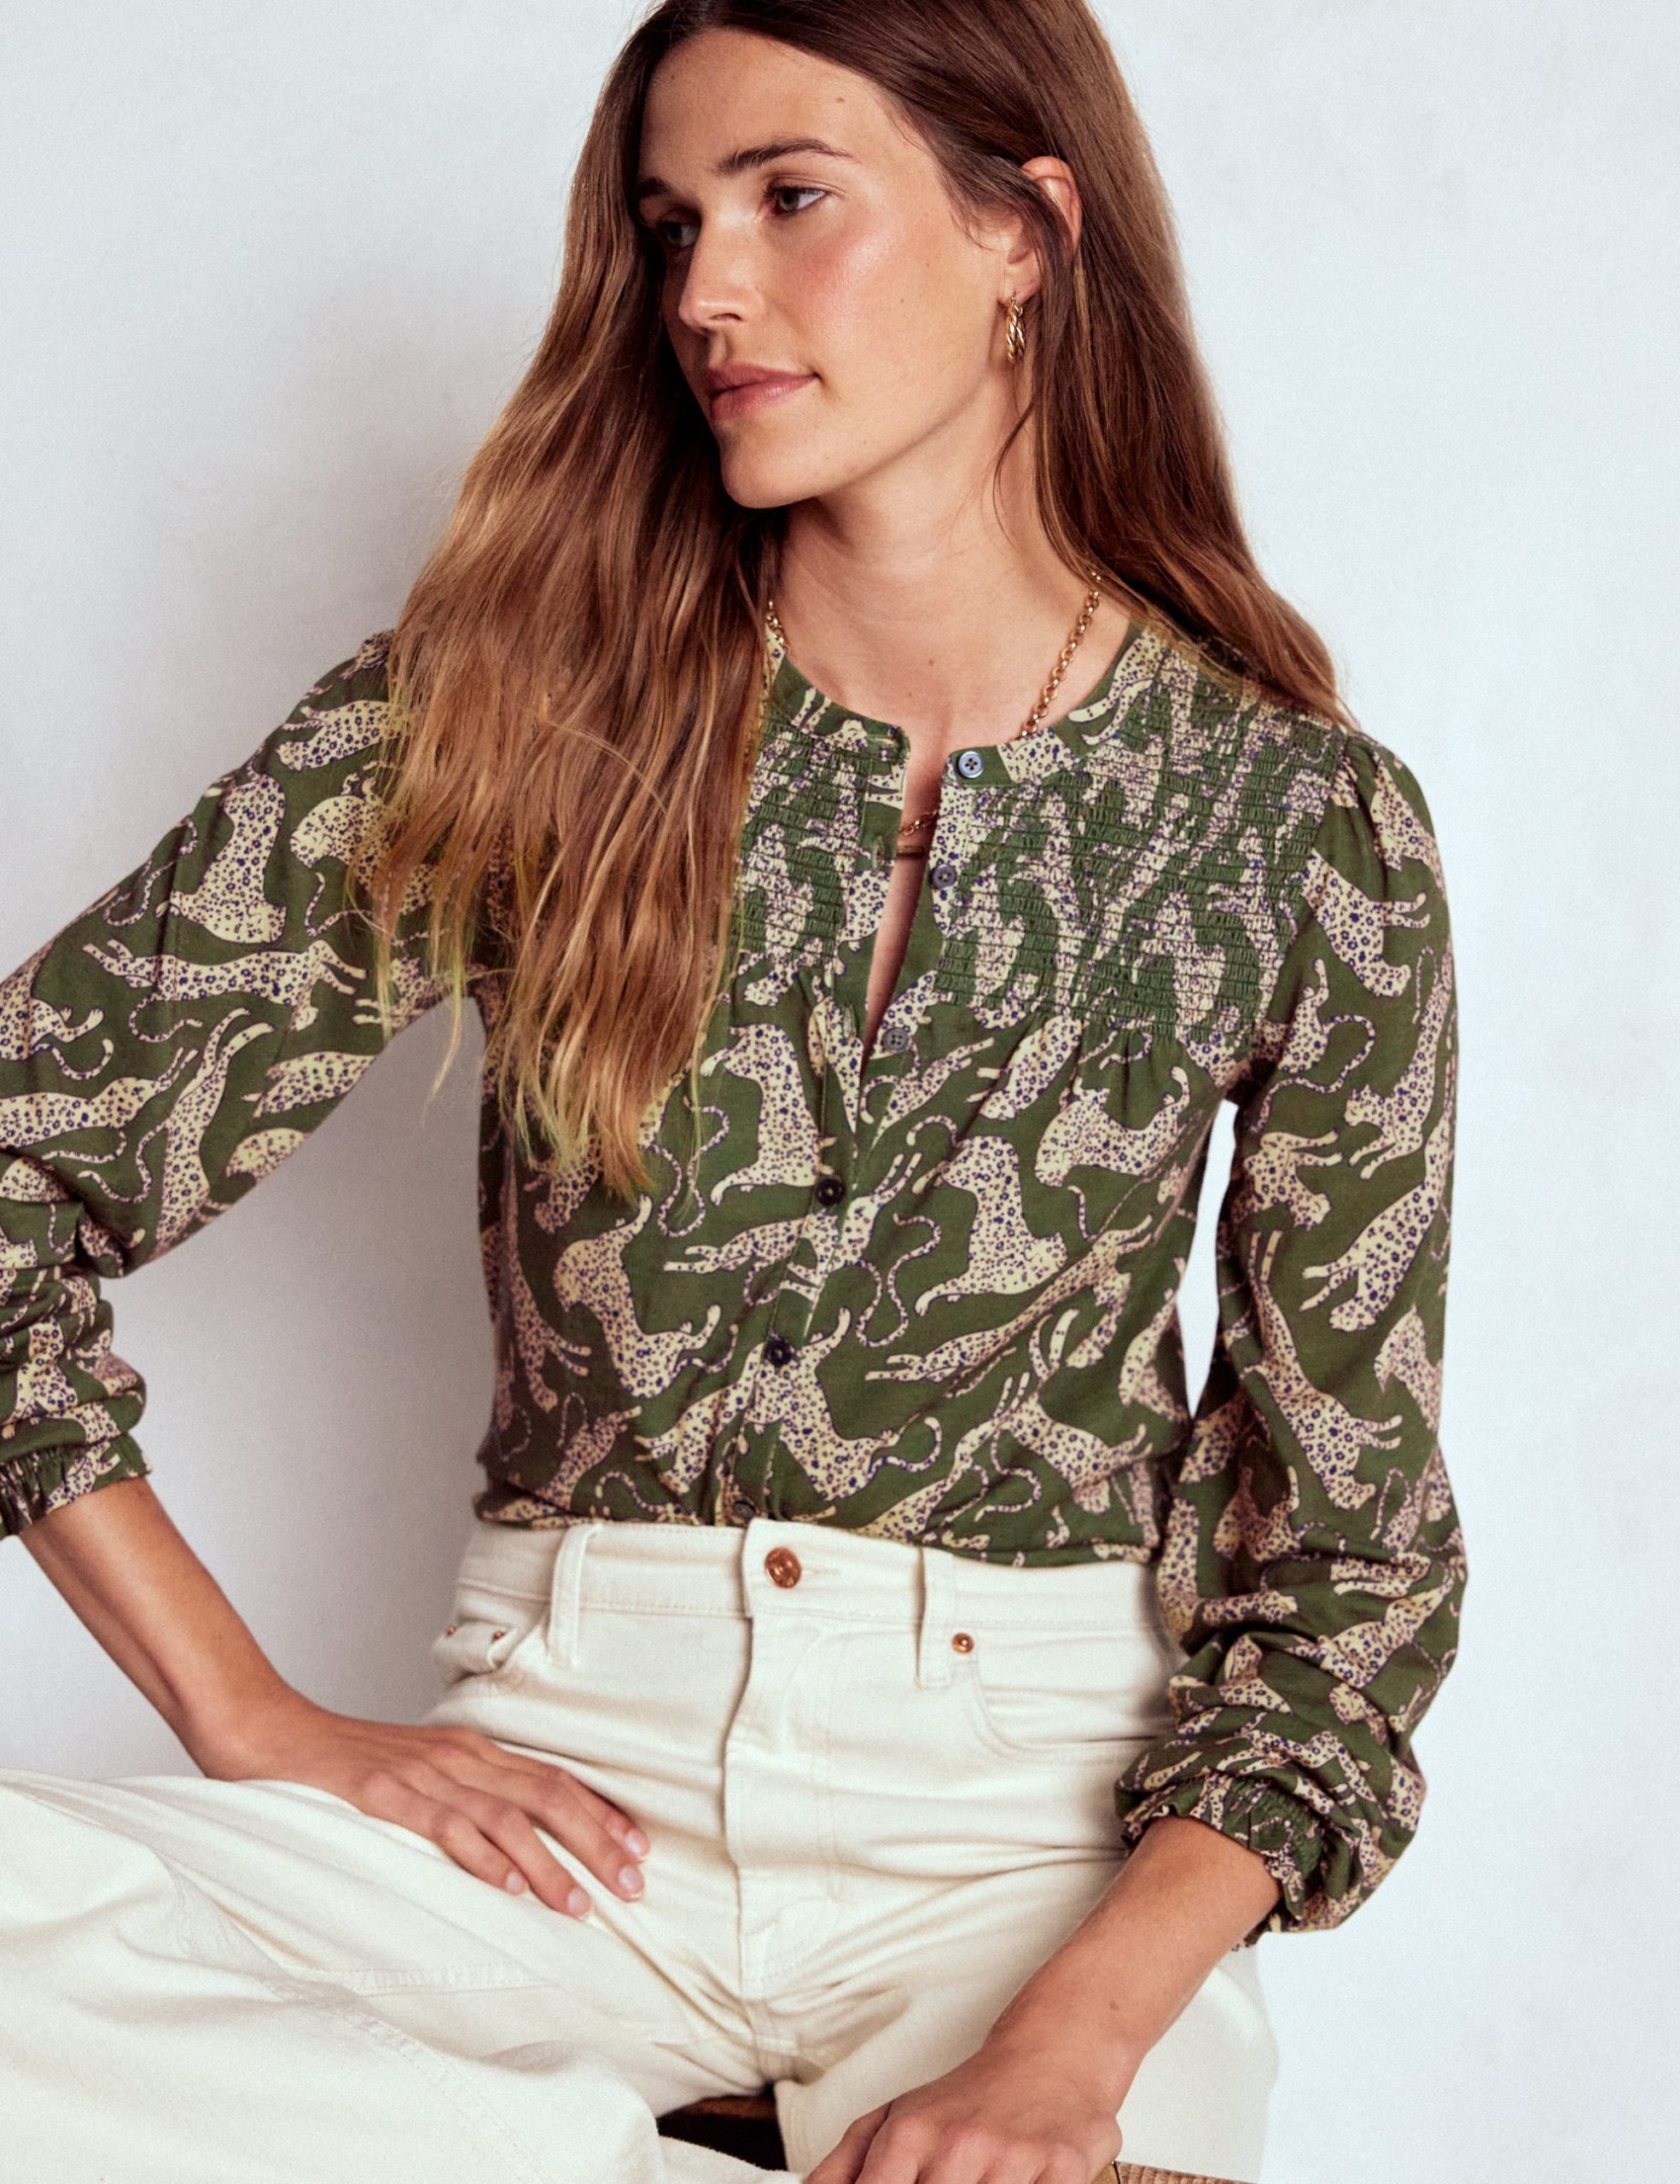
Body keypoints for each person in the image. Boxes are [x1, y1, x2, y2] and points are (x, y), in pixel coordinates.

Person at [0, 4, 1464, 2181]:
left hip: (1032, 1841)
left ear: (1024, 232)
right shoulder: (505, 720)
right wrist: (254, 1712)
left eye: (792, 198)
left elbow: (1346, 1566)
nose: (704, 289)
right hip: (555, 1814)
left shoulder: (1297, 826)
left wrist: (1069, 2054)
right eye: (672, 221)